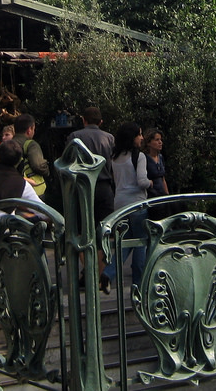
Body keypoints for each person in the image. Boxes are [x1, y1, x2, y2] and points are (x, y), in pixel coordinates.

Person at [99, 122, 152, 293]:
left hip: (120, 204)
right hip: (137, 204)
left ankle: (108, 273)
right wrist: (151, 183)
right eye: (139, 135)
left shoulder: (115, 157)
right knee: (141, 243)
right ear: (132, 137)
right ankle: (139, 284)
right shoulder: (140, 157)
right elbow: (141, 181)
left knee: (126, 242)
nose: (142, 138)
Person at [69, 107, 117, 282]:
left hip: (82, 187)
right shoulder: (109, 138)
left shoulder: (75, 137)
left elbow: (69, 162)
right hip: (104, 187)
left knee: (82, 230)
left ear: (83, 120)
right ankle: (98, 275)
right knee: (103, 232)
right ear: (101, 122)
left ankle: (88, 272)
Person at [9, 114, 49, 199]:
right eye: (33, 129)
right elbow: (38, 165)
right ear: (29, 130)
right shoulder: (31, 144)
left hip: (9, 192)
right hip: (31, 192)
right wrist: (47, 171)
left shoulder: (5, 146)